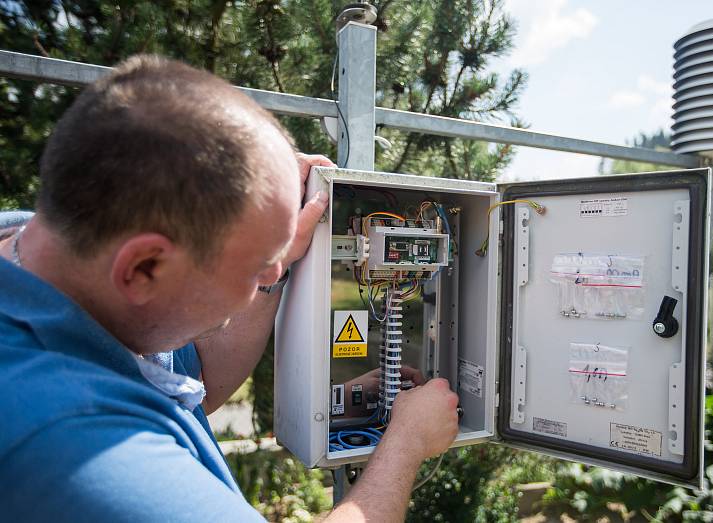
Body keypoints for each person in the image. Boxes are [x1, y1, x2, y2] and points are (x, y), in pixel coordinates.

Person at [0, 55, 459, 522]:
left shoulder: (63, 273)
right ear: (142, 268)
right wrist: (406, 443)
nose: (275, 275)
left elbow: (199, 383)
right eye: (259, 267)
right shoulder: (72, 439)